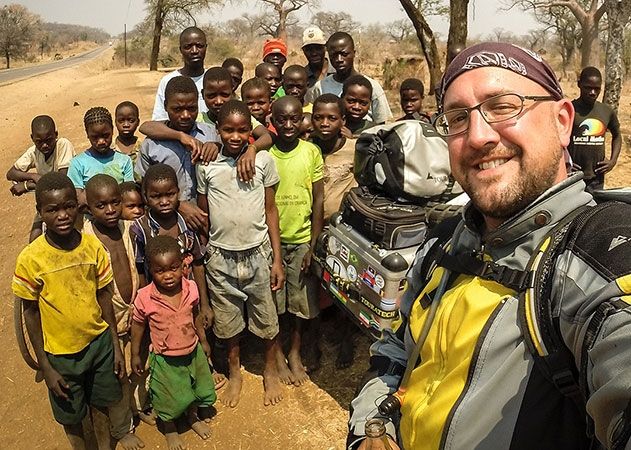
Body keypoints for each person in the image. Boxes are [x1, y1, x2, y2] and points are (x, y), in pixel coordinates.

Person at [348, 42, 631, 450]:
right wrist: (372, 424)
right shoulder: (444, 242)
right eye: (458, 118)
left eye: (503, 106)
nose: (478, 136)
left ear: (563, 120)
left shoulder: (595, 247)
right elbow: (395, 349)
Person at [12, 172, 124, 450]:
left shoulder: (92, 247)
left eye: (68, 207)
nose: (62, 215)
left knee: (101, 406)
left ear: (78, 206)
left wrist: (115, 346)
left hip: (98, 345)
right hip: (60, 354)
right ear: (40, 212)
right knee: (71, 417)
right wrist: (45, 366)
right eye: (52, 210)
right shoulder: (31, 258)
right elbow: (30, 313)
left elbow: (104, 297)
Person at [196, 100, 285, 408]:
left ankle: (269, 371)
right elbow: (204, 215)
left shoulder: (263, 162)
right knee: (228, 323)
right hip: (221, 257)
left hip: (258, 254)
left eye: (242, 130)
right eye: (228, 130)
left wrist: (277, 258)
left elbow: (271, 210)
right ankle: (235, 372)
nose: (235, 136)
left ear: (251, 131)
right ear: (217, 130)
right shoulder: (206, 165)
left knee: (267, 318)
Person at [131, 235, 216, 450]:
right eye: (160, 271)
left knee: (194, 385)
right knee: (167, 395)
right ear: (150, 269)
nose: (168, 276)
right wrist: (135, 354)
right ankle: (169, 427)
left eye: (174, 268)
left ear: (182, 265)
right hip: (165, 356)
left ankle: (192, 416)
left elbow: (195, 315)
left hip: (192, 350)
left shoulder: (191, 289)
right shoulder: (145, 297)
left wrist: (203, 341)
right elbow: (139, 326)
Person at [83, 175, 147, 448]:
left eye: (114, 203)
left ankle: (140, 407)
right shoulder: (86, 239)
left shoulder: (130, 228)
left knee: (140, 362)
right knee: (117, 371)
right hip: (108, 318)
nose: (110, 210)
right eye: (101, 205)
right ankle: (122, 428)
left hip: (135, 309)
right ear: (89, 207)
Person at [268, 96, 324, 385]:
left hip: (302, 240)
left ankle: (295, 352)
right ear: (272, 121)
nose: (288, 125)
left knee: (301, 304)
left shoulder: (311, 152)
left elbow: (318, 200)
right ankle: (276, 353)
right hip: (273, 242)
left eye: (294, 119)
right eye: (281, 120)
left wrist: (313, 245)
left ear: (302, 119)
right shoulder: (267, 154)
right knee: (275, 304)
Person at [137, 76, 220, 232]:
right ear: (165, 106)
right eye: (177, 109)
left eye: (192, 108)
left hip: (210, 224)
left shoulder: (211, 134)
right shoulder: (152, 144)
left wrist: (217, 146)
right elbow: (144, 188)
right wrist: (179, 205)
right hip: (168, 225)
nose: (185, 115)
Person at [6, 114, 75, 242]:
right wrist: (33, 176)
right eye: (39, 142)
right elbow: (11, 173)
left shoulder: (63, 145)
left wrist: (28, 185)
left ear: (56, 134)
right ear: (32, 138)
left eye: (48, 140)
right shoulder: (34, 152)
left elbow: (60, 181)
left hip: (66, 202)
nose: (44, 145)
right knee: (34, 240)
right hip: (47, 203)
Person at [306, 32, 392, 124]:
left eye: (344, 54)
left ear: (354, 53)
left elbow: (381, 125)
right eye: (334, 55)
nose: (339, 59)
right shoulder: (320, 87)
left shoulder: (372, 86)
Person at [569, 66, 622, 192]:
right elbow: (555, 137)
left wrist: (613, 161)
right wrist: (565, 161)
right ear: (579, 84)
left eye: (596, 89)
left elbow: (617, 135)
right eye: (588, 87)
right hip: (571, 176)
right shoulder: (569, 109)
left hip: (596, 178)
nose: (592, 92)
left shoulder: (606, 111)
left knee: (594, 210)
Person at [67, 107, 134, 205]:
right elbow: (78, 198)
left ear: (112, 130)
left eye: (105, 135)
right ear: (87, 134)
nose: (101, 141)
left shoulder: (125, 160)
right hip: (91, 217)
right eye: (95, 137)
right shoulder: (77, 163)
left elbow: (129, 194)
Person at [311, 93, 358, 222]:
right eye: (318, 118)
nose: (324, 123)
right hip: (309, 226)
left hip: (343, 223)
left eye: (332, 118)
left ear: (343, 120)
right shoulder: (306, 149)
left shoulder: (353, 149)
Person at [152, 27, 208, 120]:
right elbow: (159, 119)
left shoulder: (213, 80)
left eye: (199, 46)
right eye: (188, 47)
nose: (194, 51)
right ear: (180, 49)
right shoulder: (168, 81)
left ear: (206, 47)